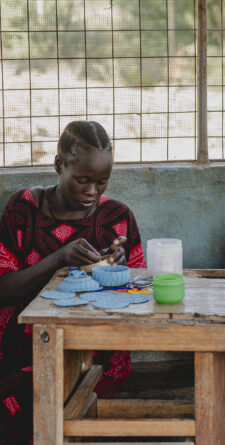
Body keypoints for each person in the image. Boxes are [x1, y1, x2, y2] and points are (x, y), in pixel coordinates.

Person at [0, 121, 146, 444]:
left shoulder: (117, 218)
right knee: (18, 402)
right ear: (58, 165)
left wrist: (120, 271)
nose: (92, 192)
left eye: (102, 182)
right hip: (24, 354)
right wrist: (59, 258)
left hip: (96, 361)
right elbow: (3, 288)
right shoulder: (23, 210)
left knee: (44, 401)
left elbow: (141, 294)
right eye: (82, 180)